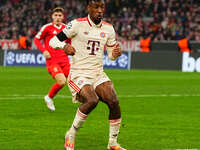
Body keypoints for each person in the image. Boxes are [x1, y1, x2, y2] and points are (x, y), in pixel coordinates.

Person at [49, 0, 126, 149]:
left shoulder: (109, 29)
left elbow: (110, 55)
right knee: (92, 100)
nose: (99, 10)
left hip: (97, 73)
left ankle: (112, 143)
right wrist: (64, 45)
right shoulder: (77, 24)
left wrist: (115, 54)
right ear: (88, 8)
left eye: (102, 7)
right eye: (96, 7)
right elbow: (53, 41)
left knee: (114, 101)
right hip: (78, 73)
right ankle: (71, 133)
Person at [34, 7, 71, 111]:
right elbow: (36, 39)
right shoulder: (47, 27)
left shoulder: (66, 28)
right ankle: (49, 97)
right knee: (62, 81)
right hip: (53, 62)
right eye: (56, 15)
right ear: (52, 16)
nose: (58, 18)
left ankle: (80, 97)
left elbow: (71, 42)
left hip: (65, 61)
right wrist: (44, 50)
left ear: (63, 17)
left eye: (60, 16)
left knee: (76, 78)